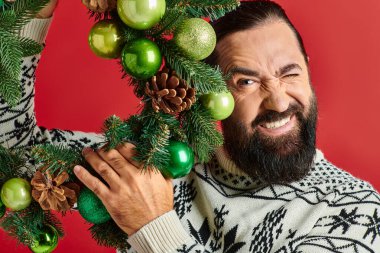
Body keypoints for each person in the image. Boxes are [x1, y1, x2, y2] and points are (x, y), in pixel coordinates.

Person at [1, 0, 380, 252]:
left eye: (290, 74)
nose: (278, 100)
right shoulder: (159, 173)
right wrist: (31, 11)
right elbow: (13, 149)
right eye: (246, 82)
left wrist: (153, 225)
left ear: (309, 69)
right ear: (208, 91)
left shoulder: (357, 212)